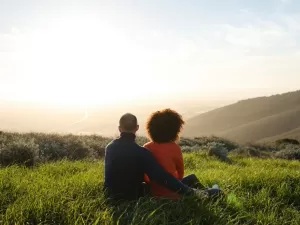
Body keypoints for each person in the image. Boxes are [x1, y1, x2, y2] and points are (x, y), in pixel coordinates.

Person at [104, 113, 204, 201]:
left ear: (119, 128)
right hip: (133, 196)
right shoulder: (142, 153)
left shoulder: (109, 148)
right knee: (214, 191)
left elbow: (109, 176)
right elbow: (163, 178)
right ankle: (209, 193)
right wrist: (193, 192)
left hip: (112, 195)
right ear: (137, 128)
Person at [144, 109, 221, 199]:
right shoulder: (174, 148)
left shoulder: (146, 147)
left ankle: (203, 193)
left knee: (192, 177)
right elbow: (180, 173)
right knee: (218, 192)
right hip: (175, 191)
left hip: (155, 191)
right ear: (175, 130)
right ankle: (206, 193)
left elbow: (145, 175)